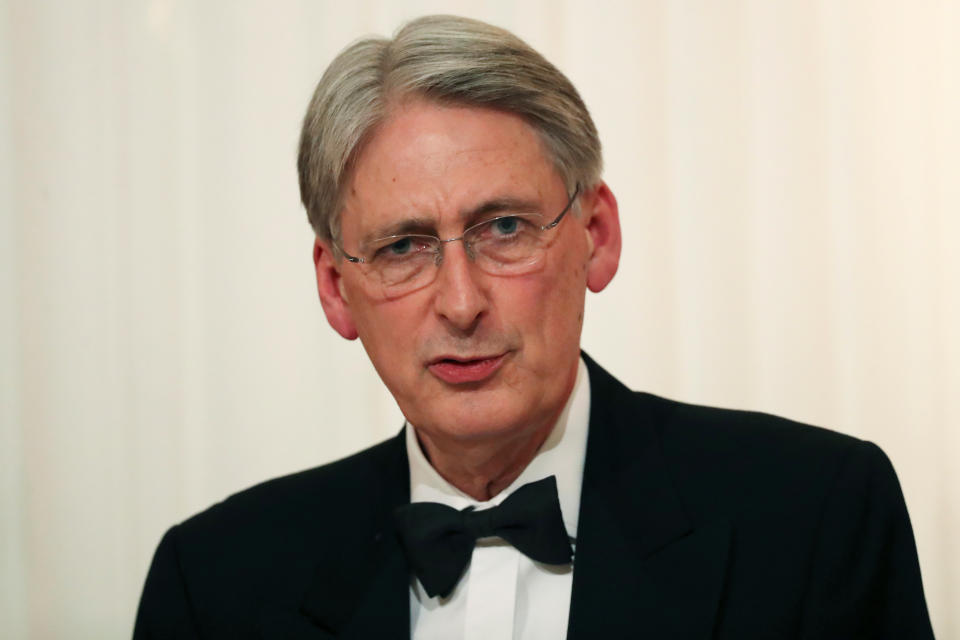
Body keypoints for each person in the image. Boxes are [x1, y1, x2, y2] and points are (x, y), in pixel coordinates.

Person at [134, 15, 934, 639]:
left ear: (598, 234)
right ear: (335, 287)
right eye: (403, 246)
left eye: (505, 228)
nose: (460, 302)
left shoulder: (816, 515)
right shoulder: (212, 582)